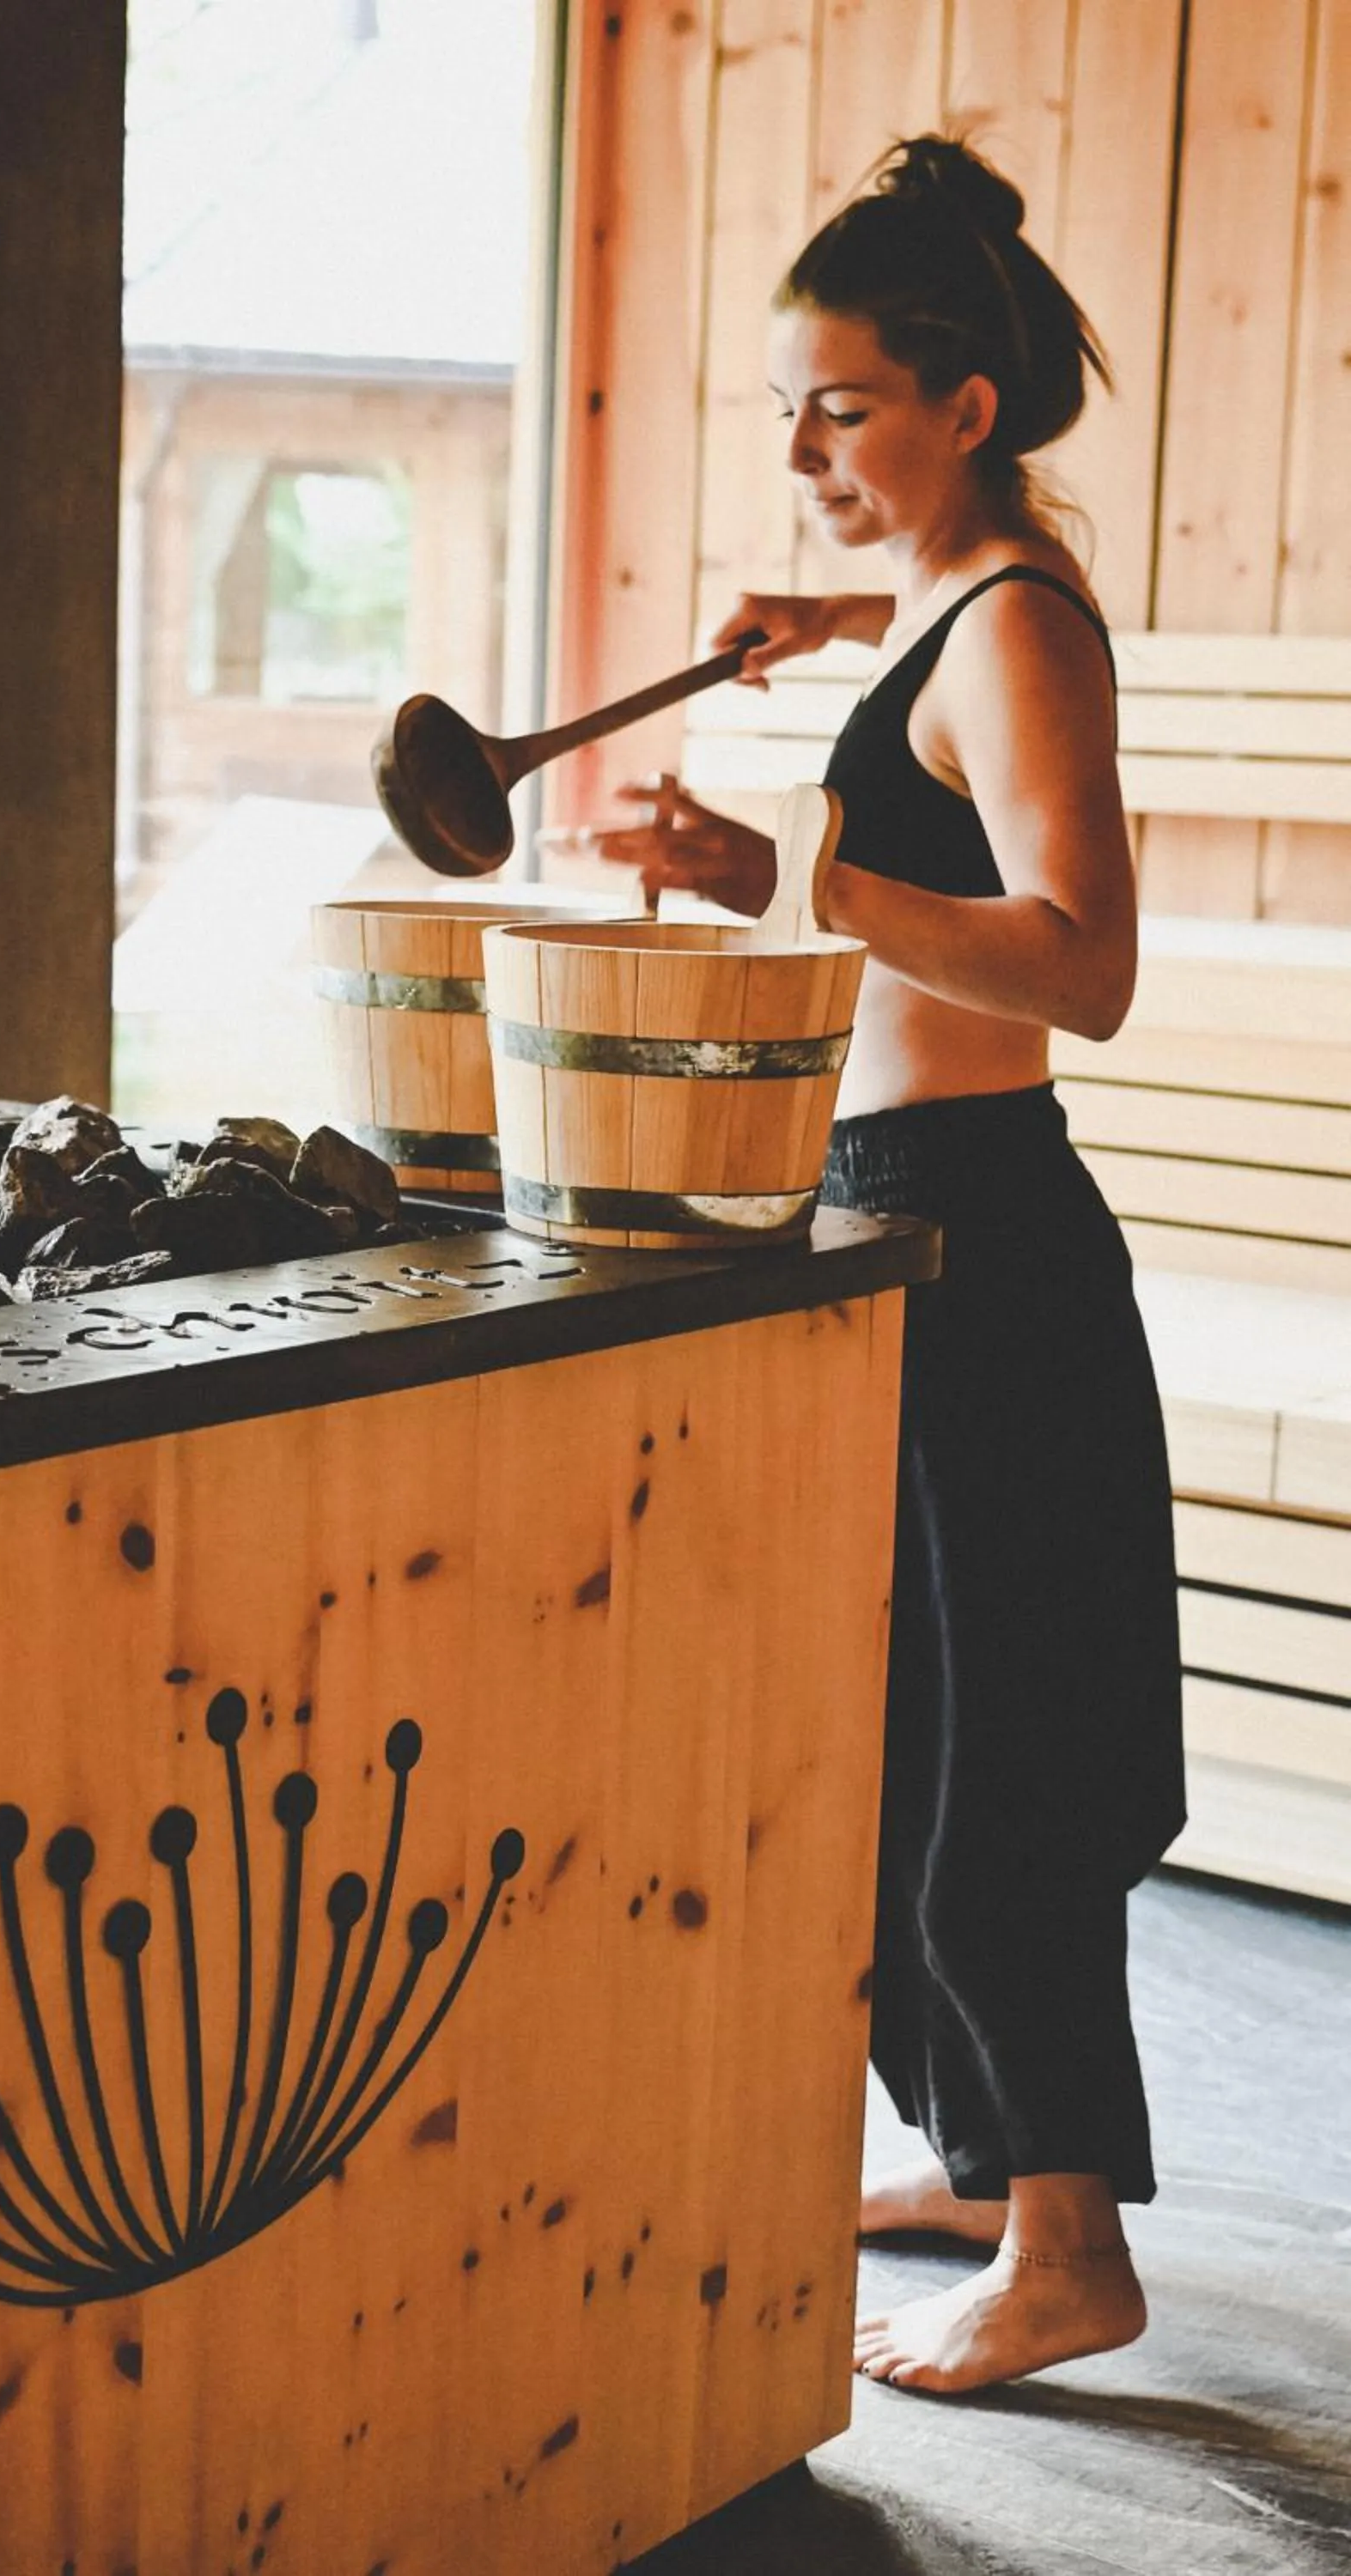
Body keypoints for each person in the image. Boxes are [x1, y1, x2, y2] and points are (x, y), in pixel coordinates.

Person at [599, 134, 1187, 2397]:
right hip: (901, 1221)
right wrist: (838, 627)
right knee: (913, 1729)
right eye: (789, 406)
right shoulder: (964, 602)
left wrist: (792, 865)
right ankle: (975, 2152)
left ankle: (1068, 2250)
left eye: (839, 406)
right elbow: (947, 657)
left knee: (1000, 1761)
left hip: (992, 1239)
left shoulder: (1018, 623)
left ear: (961, 400)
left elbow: (1087, 965)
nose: (802, 451)